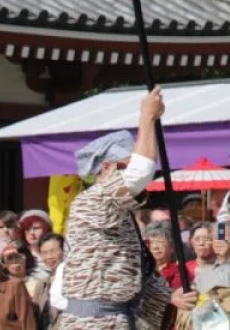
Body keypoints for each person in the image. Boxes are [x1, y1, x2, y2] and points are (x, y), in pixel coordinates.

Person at [54, 89, 196, 330]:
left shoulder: (119, 211)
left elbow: (138, 268)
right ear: (108, 168)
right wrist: (146, 118)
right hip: (93, 321)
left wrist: (170, 297)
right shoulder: (94, 200)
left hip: (114, 318)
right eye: (125, 167)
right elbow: (140, 173)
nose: (134, 177)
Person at [0, 244, 44, 310]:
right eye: (10, 258)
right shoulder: (0, 285)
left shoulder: (38, 284)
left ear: (27, 258)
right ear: (4, 263)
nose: (15, 262)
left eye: (18, 257)